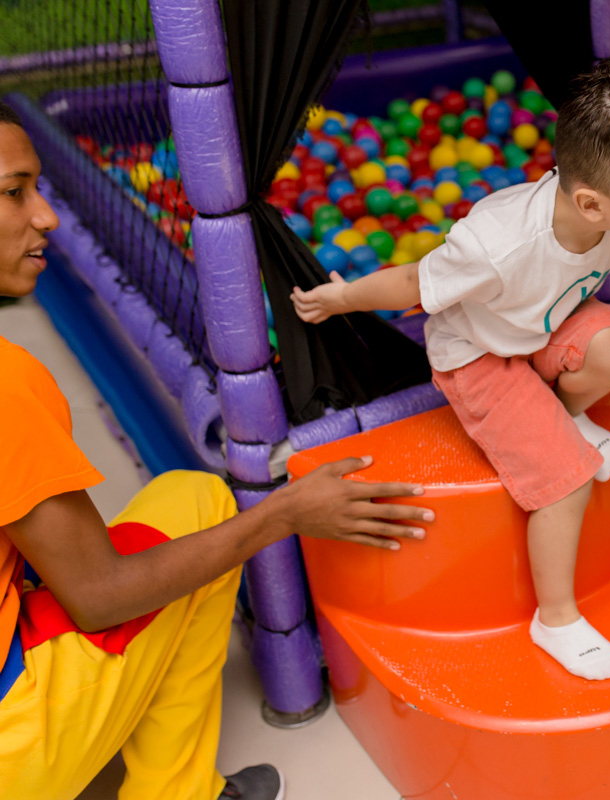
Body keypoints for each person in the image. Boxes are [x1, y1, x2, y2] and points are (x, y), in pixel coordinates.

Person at [0, 100, 434, 800]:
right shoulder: (7, 382)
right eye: (14, 192)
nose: (46, 216)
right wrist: (283, 514)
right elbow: (99, 598)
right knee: (201, 503)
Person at [291, 55, 610, 682]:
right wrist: (340, 297)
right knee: (569, 479)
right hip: (479, 356)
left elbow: (581, 300)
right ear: (593, 205)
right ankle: (557, 619)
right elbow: (414, 278)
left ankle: (565, 416)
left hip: (538, 325)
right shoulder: (496, 245)